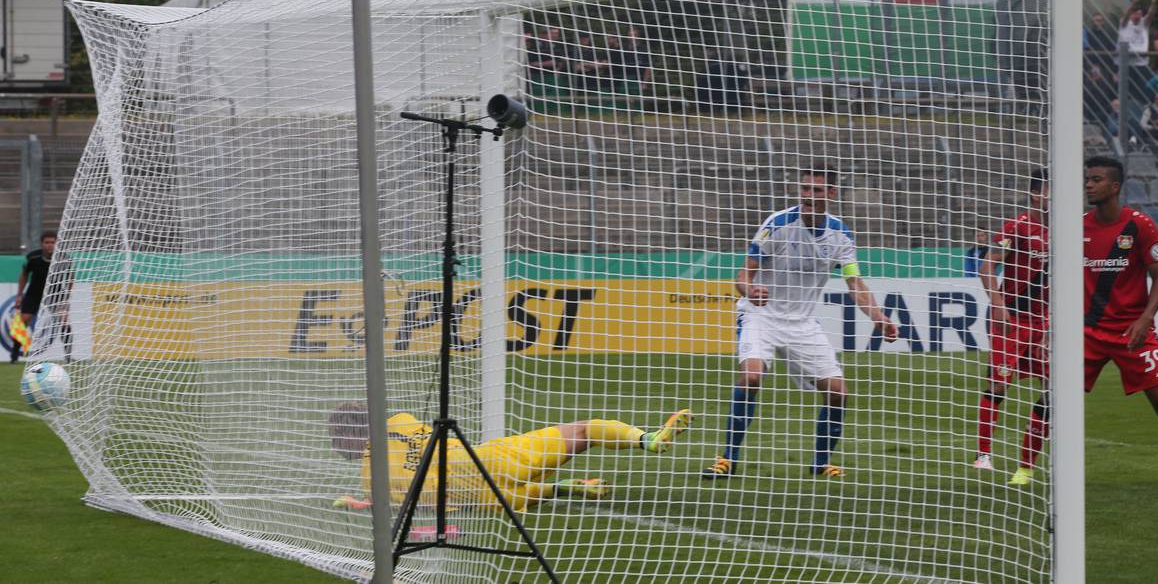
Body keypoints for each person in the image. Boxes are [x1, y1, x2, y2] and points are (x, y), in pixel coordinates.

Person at [700, 168, 898, 480]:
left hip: (803, 323)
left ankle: (820, 463)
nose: (807, 196)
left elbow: (855, 283)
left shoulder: (841, 236)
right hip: (760, 315)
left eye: (816, 191)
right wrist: (751, 290)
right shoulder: (777, 223)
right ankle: (727, 459)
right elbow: (743, 275)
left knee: (838, 393)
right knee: (751, 377)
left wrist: (879, 317)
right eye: (804, 189)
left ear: (830, 195)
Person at [328, 404, 692, 512]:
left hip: (482, 498)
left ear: (349, 434)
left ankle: (559, 489)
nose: (333, 446)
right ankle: (648, 439)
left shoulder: (369, 477)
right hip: (486, 459)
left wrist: (364, 503)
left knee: (515, 496)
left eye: (335, 437)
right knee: (583, 430)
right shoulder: (401, 421)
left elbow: (408, 505)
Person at [1083, 156, 1158, 489]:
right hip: (1087, 332)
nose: (1088, 184)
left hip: (1133, 332)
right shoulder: (1077, 226)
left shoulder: (1141, 225)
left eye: (1096, 179)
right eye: (1087, 179)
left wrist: (1145, 319)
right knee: (1054, 396)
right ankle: (1026, 471)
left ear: (1115, 186)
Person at [972, 170, 1050, 484]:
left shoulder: (1067, 230)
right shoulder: (1017, 226)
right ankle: (983, 455)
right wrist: (999, 305)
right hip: (1011, 320)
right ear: (1035, 194)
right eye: (1048, 191)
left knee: (1052, 387)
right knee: (999, 384)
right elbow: (987, 265)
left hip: (1042, 321)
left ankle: (1025, 466)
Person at [11, 231, 56, 363]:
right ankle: (14, 356)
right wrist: (19, 295)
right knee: (23, 320)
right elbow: (24, 275)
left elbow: (70, 277)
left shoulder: (63, 258)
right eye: (47, 242)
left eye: (52, 242)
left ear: (57, 243)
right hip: (34, 293)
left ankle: (69, 357)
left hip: (55, 292)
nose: (50, 245)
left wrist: (67, 298)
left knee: (64, 320)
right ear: (42, 244)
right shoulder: (33, 257)